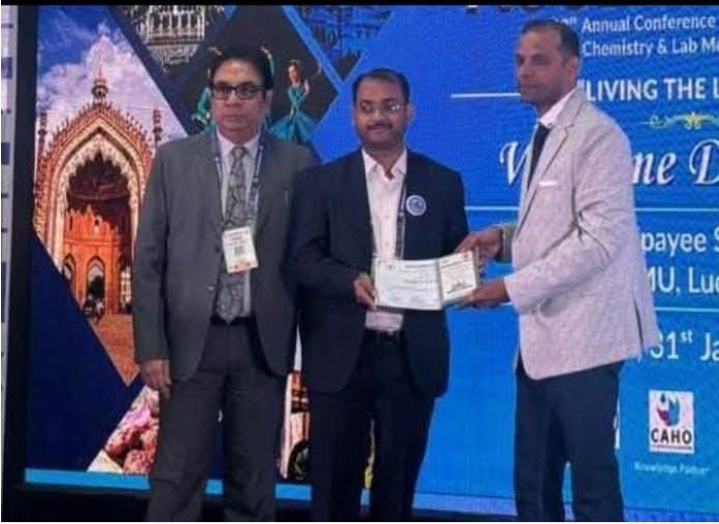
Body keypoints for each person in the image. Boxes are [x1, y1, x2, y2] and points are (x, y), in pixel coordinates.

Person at [456, 20, 659, 521]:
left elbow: (598, 241)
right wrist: (500, 239)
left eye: (539, 61)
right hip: (542, 345)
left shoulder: (599, 136)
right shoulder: (545, 131)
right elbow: (554, 228)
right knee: (533, 488)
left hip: (587, 341)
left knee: (592, 488)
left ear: (572, 67)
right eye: (520, 60)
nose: (525, 71)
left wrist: (507, 288)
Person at [132, 45, 316, 521]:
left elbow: (310, 259)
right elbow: (148, 260)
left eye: (247, 90)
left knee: (253, 482)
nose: (234, 100)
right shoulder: (173, 160)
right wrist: (151, 347)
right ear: (210, 97)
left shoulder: (299, 164)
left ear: (268, 99)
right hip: (190, 343)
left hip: (262, 344)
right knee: (175, 478)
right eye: (223, 89)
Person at [286, 67, 468, 521]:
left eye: (389, 106)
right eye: (367, 108)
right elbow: (302, 259)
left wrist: (467, 274)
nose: (378, 117)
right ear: (353, 116)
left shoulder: (443, 184)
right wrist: (347, 280)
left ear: (409, 112)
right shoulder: (320, 183)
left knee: (397, 490)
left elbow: (455, 261)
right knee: (334, 489)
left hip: (410, 356)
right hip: (341, 354)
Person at [269, 59, 319, 145]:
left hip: (310, 111)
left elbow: (316, 77)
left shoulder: (305, 82)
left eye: (293, 71)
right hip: (300, 116)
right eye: (290, 72)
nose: (291, 75)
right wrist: (307, 92)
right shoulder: (290, 90)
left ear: (298, 71)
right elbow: (297, 104)